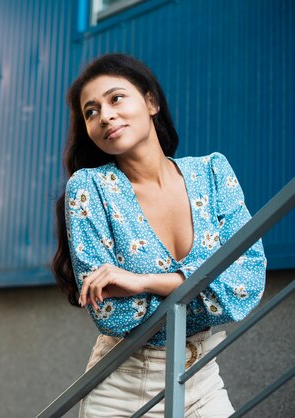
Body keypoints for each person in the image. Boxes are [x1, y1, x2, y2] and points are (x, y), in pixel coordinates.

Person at [51, 53, 266, 417]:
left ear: (151, 102)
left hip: (201, 378)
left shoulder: (213, 173)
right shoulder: (89, 188)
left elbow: (247, 282)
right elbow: (113, 314)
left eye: (116, 98)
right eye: (91, 111)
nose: (105, 115)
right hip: (122, 383)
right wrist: (207, 287)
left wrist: (142, 282)